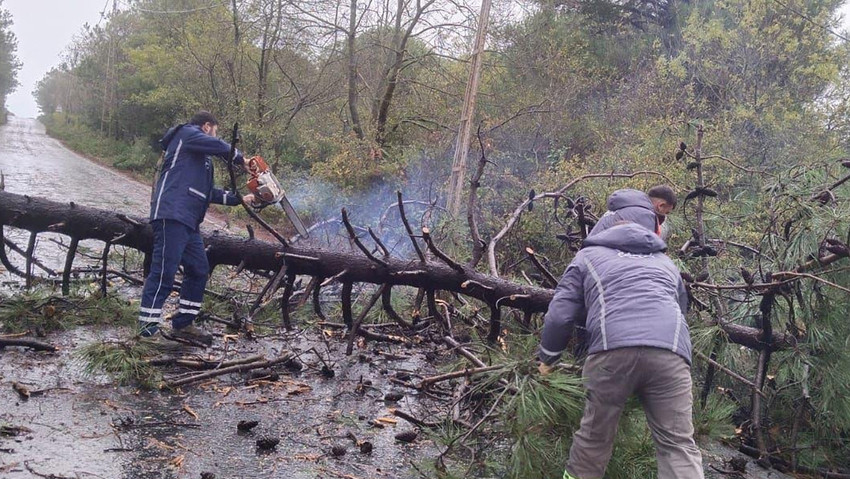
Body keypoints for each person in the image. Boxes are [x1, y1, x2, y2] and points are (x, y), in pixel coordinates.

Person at [538, 190, 703, 479]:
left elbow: (560, 314)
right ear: (651, 227)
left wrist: (548, 359)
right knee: (678, 444)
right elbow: (680, 310)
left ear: (608, 223)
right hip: (672, 356)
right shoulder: (666, 264)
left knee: (594, 439)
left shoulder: (588, 256)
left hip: (612, 352)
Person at [137, 111, 252, 346]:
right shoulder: (187, 134)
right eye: (215, 131)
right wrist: (241, 159)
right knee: (163, 273)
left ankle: (184, 323)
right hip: (172, 215)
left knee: (199, 268)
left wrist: (242, 198)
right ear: (207, 127)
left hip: (189, 222)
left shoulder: (201, 160)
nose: (215, 136)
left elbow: (207, 193)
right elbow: (219, 146)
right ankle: (147, 332)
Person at [588, 186, 677, 239]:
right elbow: (645, 254)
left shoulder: (627, 207)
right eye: (666, 212)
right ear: (661, 205)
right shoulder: (645, 216)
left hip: (587, 259)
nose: (665, 216)